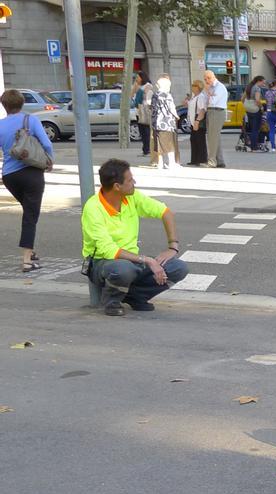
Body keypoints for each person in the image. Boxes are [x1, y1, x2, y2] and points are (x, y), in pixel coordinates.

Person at [82, 159, 188, 316]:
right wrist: (148, 260)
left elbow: (165, 212)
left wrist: (173, 246)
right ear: (117, 186)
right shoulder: (93, 208)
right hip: (102, 263)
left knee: (178, 268)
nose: (134, 183)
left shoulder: (131, 197)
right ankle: (112, 301)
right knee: (123, 269)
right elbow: (108, 250)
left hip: (133, 260)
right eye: (130, 180)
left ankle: (135, 296)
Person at [0, 89, 54, 272]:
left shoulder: (0, 125)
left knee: (29, 211)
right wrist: (49, 160)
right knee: (31, 216)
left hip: (9, 176)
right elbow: (46, 143)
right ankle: (26, 261)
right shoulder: (31, 120)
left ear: (4, 106)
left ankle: (31, 252)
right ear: (22, 103)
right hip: (31, 173)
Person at [150, 75, 180, 170]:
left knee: (159, 144)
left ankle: (160, 163)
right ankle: (171, 163)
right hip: (167, 123)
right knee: (169, 145)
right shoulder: (167, 95)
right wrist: (176, 116)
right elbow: (171, 108)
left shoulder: (155, 95)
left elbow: (152, 108)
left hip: (156, 123)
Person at [202, 70, 228, 168]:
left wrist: (208, 92)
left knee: (212, 137)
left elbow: (212, 101)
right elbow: (205, 100)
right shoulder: (211, 88)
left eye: (208, 78)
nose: (206, 81)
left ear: (213, 77)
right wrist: (208, 94)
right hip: (211, 111)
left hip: (217, 111)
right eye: (205, 79)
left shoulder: (219, 87)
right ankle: (220, 160)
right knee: (215, 137)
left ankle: (212, 161)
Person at [186, 80, 208, 166]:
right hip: (193, 120)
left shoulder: (201, 97)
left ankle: (202, 159)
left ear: (197, 87)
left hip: (197, 119)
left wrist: (197, 121)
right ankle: (194, 159)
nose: (192, 87)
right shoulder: (194, 96)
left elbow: (202, 109)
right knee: (194, 140)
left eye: (193, 85)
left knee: (200, 140)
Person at [244, 75, 267, 152]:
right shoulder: (257, 88)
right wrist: (261, 107)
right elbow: (257, 100)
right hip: (255, 110)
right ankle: (254, 147)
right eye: (263, 83)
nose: (263, 85)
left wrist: (247, 104)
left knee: (251, 128)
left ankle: (251, 146)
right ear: (259, 81)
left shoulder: (249, 87)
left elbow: (242, 99)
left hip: (248, 109)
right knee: (255, 129)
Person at [133, 71, 152, 157]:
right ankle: (145, 149)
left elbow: (147, 98)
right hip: (138, 110)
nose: (136, 78)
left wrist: (140, 90)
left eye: (138, 77)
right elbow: (131, 95)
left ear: (142, 77)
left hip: (144, 110)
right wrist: (135, 86)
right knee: (142, 131)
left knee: (146, 131)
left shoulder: (148, 85)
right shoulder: (138, 86)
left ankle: (148, 149)